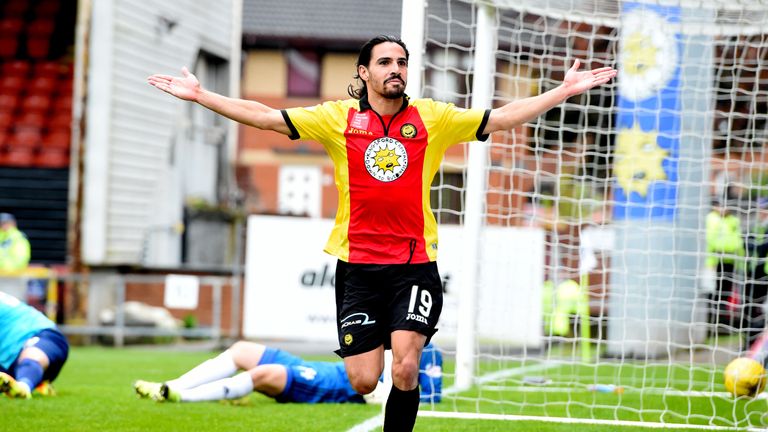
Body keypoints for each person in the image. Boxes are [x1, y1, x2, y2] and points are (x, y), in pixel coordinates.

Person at [148, 34, 615, 431]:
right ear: (365, 73)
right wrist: (202, 96)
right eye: (386, 62)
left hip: (414, 266)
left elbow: (501, 117)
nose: (397, 69)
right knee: (364, 380)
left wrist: (562, 91)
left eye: (402, 63)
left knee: (407, 365)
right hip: (358, 271)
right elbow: (266, 116)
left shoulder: (433, 118)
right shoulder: (337, 119)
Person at [133, 340, 442, 404]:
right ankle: (169, 384)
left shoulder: (426, 353)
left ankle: (178, 396)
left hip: (326, 385)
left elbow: (430, 395)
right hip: (321, 367)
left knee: (263, 374)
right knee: (242, 350)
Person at [0, 290, 69, 399]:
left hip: (42, 336)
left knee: (31, 354)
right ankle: (37, 382)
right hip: (9, 364)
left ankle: (24, 386)